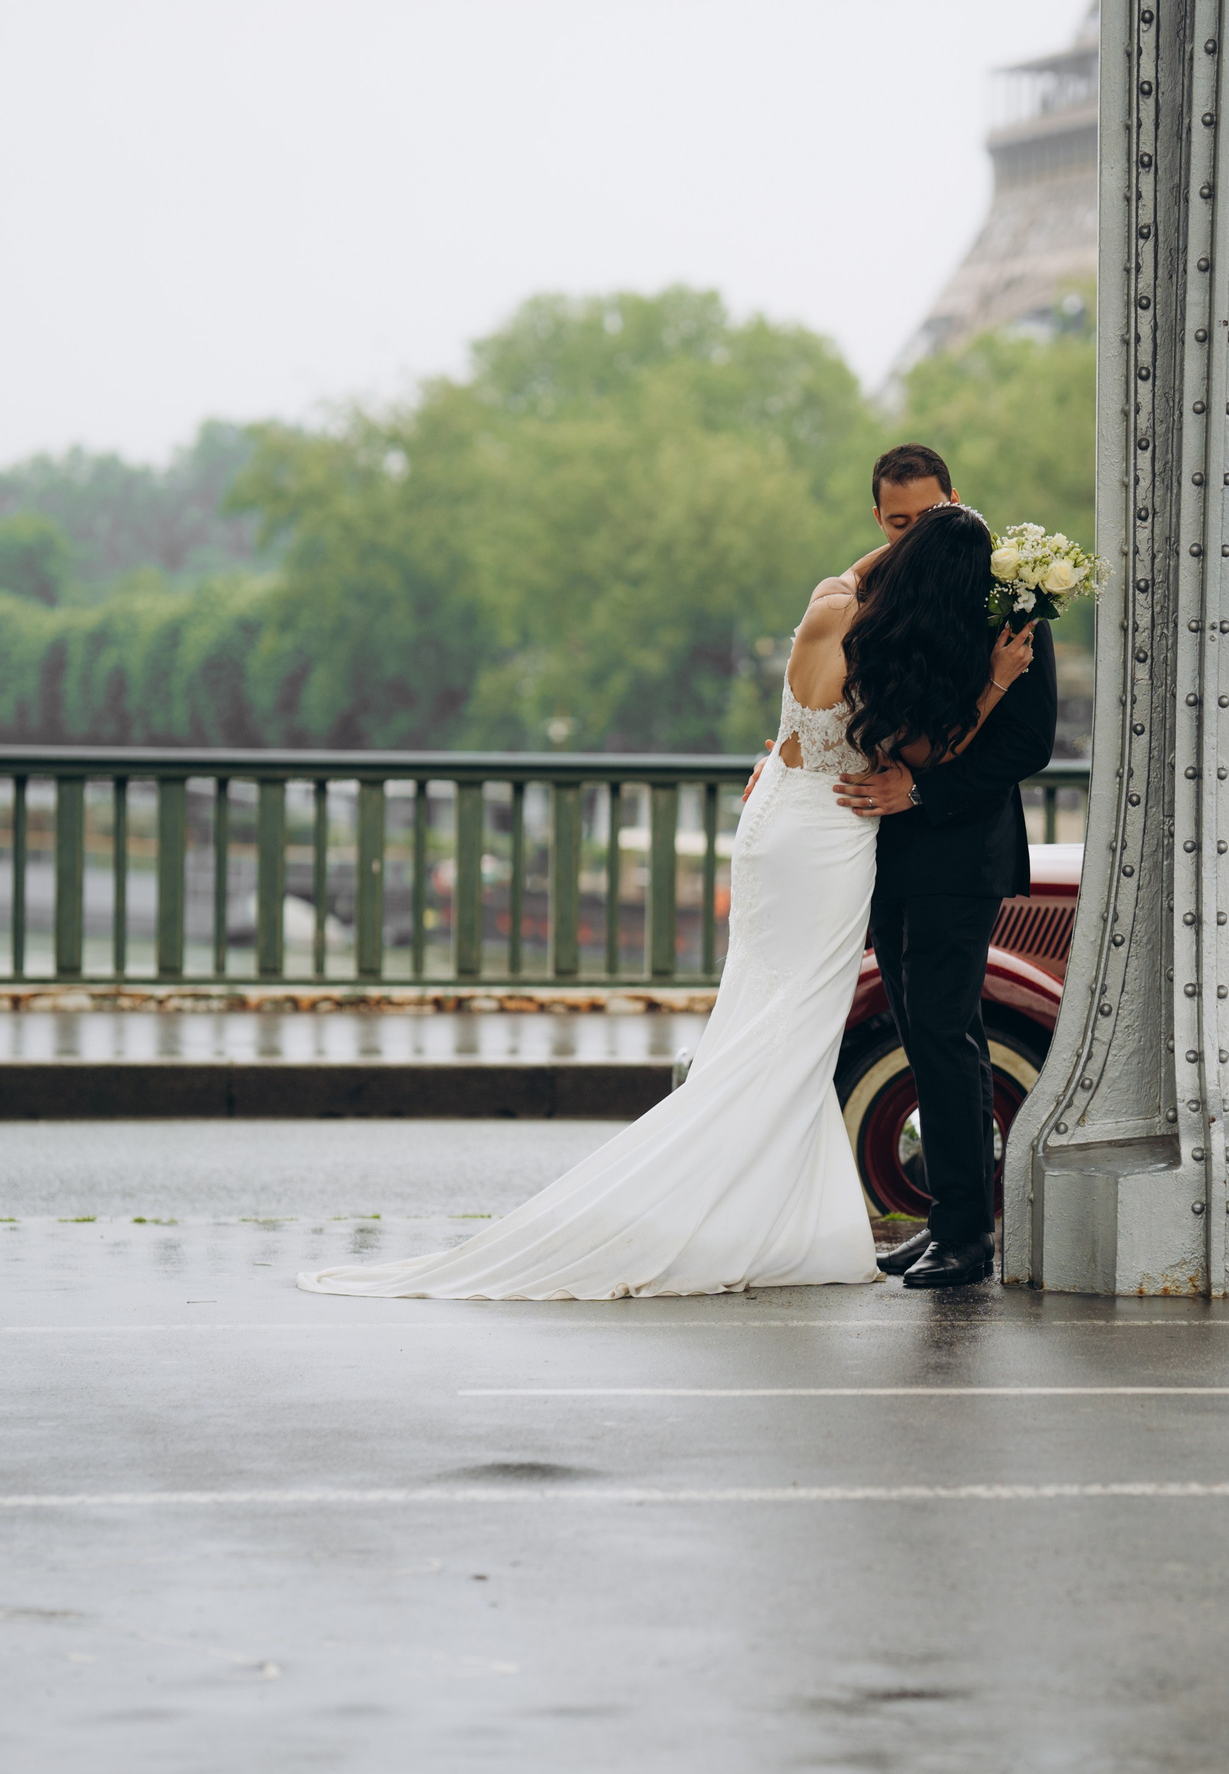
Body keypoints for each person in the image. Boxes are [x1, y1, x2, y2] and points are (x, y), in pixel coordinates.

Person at [296, 500, 1034, 1299]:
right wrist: (995, 683)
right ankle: (742, 1209)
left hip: (770, 820)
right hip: (829, 836)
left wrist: (916, 541)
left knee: (755, 1006)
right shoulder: (900, 660)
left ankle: (759, 1210)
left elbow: (862, 572)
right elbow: (931, 752)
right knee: (797, 1033)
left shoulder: (829, 605)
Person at [834, 446, 1058, 1289]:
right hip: (887, 848)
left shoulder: (1013, 598)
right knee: (918, 1030)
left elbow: (1028, 743)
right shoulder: (886, 589)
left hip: (961, 848)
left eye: (926, 519)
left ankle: (966, 1234)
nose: (911, 536)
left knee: (945, 1033)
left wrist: (920, 790)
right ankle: (946, 1224)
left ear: (956, 504)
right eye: (895, 524)